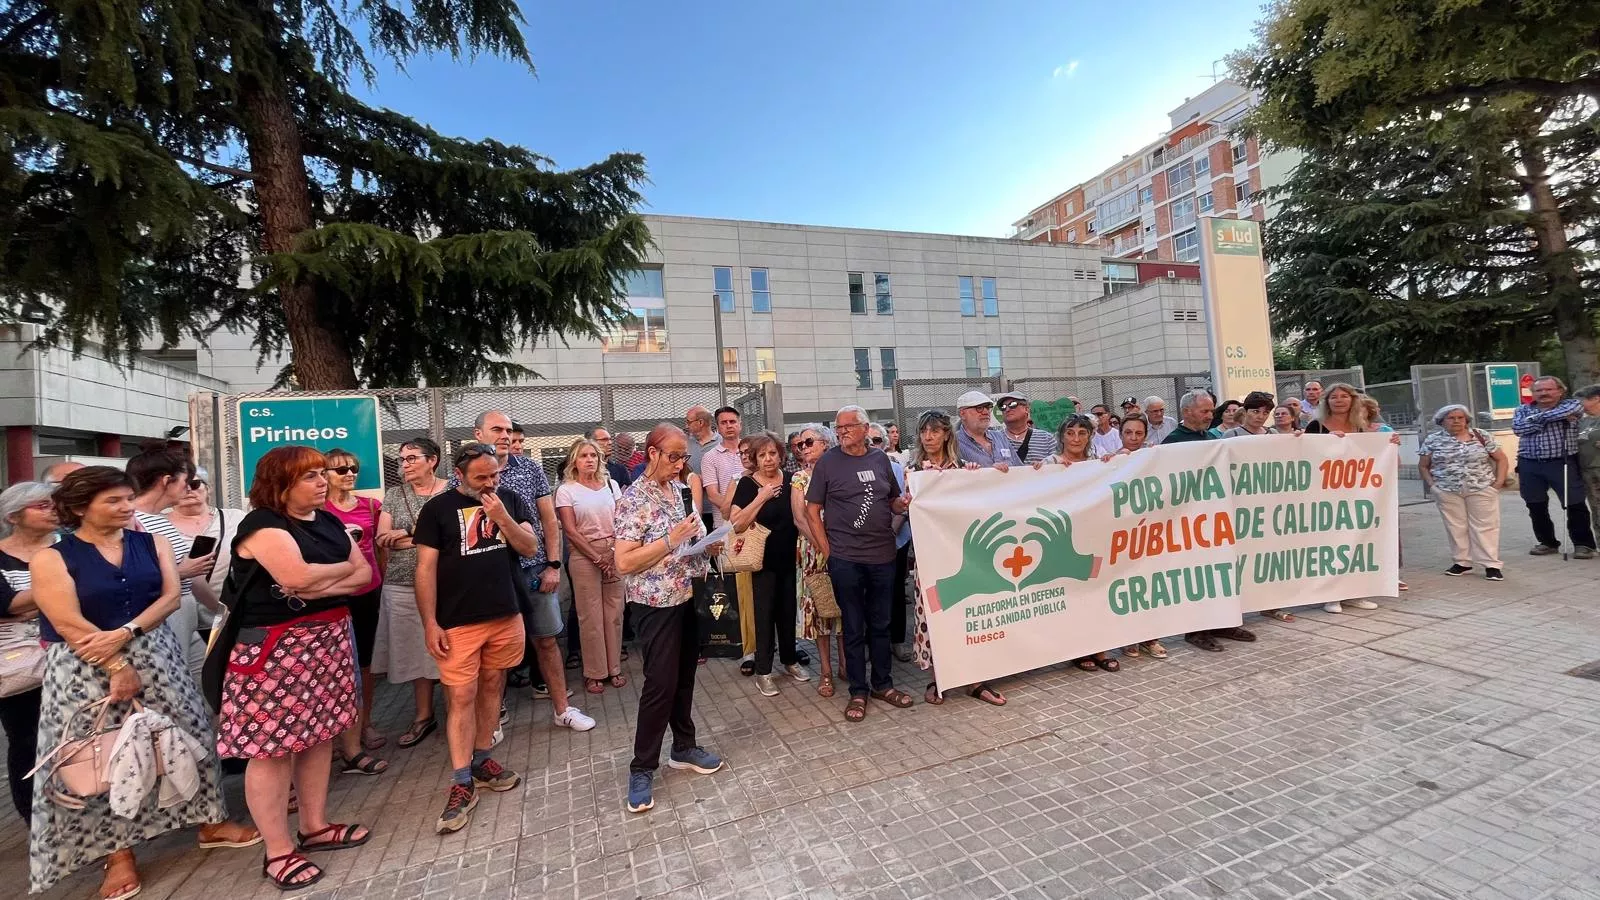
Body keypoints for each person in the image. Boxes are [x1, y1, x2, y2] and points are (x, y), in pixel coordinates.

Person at [32, 467, 255, 897]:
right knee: (99, 755)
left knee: (189, 732)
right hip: (85, 665)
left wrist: (128, 632)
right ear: (79, 508)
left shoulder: (152, 542)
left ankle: (211, 821)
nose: (126, 507)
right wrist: (117, 663)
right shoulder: (53, 557)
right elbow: (66, 620)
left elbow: (171, 596)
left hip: (155, 651)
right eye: (113, 501)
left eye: (127, 498)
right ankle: (118, 855)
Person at [418, 443, 585, 836]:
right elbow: (424, 570)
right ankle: (461, 781)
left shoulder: (508, 498)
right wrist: (429, 622)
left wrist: (502, 518)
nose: (491, 482)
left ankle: (482, 759)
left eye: (494, 474)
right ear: (460, 475)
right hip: (457, 620)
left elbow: (530, 546)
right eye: (482, 477)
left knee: (494, 685)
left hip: (505, 612)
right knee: (460, 695)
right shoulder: (437, 510)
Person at [614, 425, 727, 814]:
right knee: (660, 683)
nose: (681, 465)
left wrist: (711, 543)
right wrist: (671, 540)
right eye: (675, 457)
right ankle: (642, 766)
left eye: (685, 458)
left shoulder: (679, 490)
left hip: (689, 593)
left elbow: (690, 538)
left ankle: (684, 746)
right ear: (652, 453)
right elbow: (624, 561)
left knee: (684, 676)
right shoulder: (633, 499)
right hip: (655, 602)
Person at [461, 411, 578, 711]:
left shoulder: (530, 468)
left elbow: (549, 521)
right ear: (478, 434)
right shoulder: (463, 476)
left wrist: (553, 565)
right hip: (493, 577)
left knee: (547, 640)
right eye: (497, 429)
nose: (505, 435)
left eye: (509, 430)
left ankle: (562, 709)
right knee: (493, 650)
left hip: (535, 569)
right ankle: (493, 714)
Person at [805, 405, 915, 723]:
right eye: (838, 429)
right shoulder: (828, 463)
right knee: (854, 627)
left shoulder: (881, 459)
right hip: (846, 560)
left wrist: (902, 503)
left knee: (880, 624)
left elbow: (892, 500)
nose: (841, 433)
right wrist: (829, 552)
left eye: (848, 427)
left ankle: (883, 684)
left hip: (882, 555)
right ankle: (858, 690)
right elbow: (813, 511)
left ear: (865, 429)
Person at [905, 410, 1008, 705]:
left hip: (962, 556)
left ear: (946, 435)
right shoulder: (913, 471)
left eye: (935, 431)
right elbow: (903, 510)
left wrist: (987, 476)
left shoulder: (964, 468)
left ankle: (975, 679)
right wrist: (905, 504)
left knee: (967, 613)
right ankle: (939, 678)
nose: (929, 437)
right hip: (928, 556)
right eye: (924, 431)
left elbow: (979, 505)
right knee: (933, 614)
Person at [1160, 391, 1259, 652]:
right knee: (1197, 575)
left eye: (1211, 410)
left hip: (1215, 520)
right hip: (1191, 522)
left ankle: (1223, 621)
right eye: (1204, 411)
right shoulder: (1173, 442)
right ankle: (1196, 630)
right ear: (1187, 412)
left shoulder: (1209, 437)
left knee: (1220, 571)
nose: (1210, 415)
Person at [374, 438, 448, 749]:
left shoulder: (450, 489)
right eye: (402, 459)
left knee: (456, 647)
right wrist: (424, 538)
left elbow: (451, 534)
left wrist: (404, 533)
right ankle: (423, 715)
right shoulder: (394, 495)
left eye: (412, 458)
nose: (405, 464)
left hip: (447, 581)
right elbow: (381, 539)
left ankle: (461, 711)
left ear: (432, 460)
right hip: (402, 583)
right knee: (419, 652)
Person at [320, 448, 388, 774]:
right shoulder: (318, 511)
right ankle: (335, 734)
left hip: (368, 592)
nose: (349, 474)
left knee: (365, 665)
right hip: (334, 596)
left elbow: (379, 548)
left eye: (353, 468)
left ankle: (364, 723)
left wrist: (383, 582)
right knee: (334, 667)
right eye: (340, 469)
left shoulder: (371, 507)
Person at [126, 441, 217, 684]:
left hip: (184, 609)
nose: (188, 490)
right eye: (186, 482)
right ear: (166, 481)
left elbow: (192, 576)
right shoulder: (132, 520)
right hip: (161, 613)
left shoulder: (161, 520)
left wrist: (220, 611)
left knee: (199, 682)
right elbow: (126, 578)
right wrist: (181, 572)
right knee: (172, 681)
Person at [730, 434, 807, 697]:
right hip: (761, 562)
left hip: (788, 558)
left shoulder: (790, 480)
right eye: (761, 455)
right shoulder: (747, 484)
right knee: (764, 616)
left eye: (772, 453)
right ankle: (764, 671)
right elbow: (737, 523)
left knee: (787, 613)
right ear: (754, 459)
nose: (768, 459)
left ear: (780, 455)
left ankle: (790, 661)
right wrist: (761, 497)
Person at [555, 438, 626, 694]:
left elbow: (622, 520)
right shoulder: (566, 490)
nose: (589, 460)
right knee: (590, 616)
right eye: (584, 455)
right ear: (574, 460)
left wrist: (613, 552)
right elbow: (571, 531)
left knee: (614, 613)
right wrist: (597, 558)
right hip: (584, 554)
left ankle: (614, 667)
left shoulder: (611, 484)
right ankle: (595, 672)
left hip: (614, 550)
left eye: (593, 455)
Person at [0, 482, 52, 823]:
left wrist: (28, 604)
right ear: (14, 516)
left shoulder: (69, 546)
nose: (53, 510)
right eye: (41, 506)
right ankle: (36, 816)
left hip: (74, 653)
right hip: (18, 664)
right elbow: (6, 603)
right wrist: (59, 589)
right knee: (26, 738)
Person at [1420, 404, 1508, 581]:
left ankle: (1491, 564)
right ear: (1442, 421)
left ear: (1466, 420)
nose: (1456, 421)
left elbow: (1501, 459)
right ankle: (1462, 562)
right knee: (1455, 526)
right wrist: (1433, 486)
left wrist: (1497, 483)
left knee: (1486, 526)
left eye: (1460, 417)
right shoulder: (1433, 440)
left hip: (1481, 487)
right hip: (1447, 489)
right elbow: (1423, 465)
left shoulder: (1481, 436)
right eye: (1451, 418)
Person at [1512, 376, 1594, 558]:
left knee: (1574, 503)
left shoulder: (1571, 405)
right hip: (1529, 463)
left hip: (1562, 461)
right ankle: (1547, 542)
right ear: (1533, 393)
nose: (1544, 394)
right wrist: (1551, 418)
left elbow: (1527, 426)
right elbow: (1518, 429)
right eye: (1539, 391)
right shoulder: (1521, 409)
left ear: (1560, 391)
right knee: (1535, 504)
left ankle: (1583, 544)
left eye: (1548, 390)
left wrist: (1534, 421)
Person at [792, 426, 845, 696]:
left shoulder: (838, 471)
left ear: (827, 443)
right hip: (814, 551)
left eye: (809, 441)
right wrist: (823, 546)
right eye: (801, 444)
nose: (803, 447)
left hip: (843, 546)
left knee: (845, 607)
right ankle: (825, 670)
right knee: (819, 610)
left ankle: (845, 663)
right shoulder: (800, 477)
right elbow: (800, 518)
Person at [164, 468, 248, 638]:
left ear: (207, 488)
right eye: (181, 486)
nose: (188, 491)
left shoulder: (236, 518)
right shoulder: (156, 525)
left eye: (194, 485)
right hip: (179, 618)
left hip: (232, 616)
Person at [870, 423, 915, 663]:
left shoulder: (896, 468)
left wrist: (890, 533)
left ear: (886, 443)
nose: (873, 446)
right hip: (867, 546)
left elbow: (902, 504)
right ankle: (872, 644)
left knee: (896, 592)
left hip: (895, 541)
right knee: (870, 595)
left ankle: (897, 641)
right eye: (869, 441)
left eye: (877, 441)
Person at [699, 407, 746, 527]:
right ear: (718, 428)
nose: (729, 426)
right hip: (724, 525)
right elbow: (713, 495)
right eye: (724, 423)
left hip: (755, 522)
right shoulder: (709, 457)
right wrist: (740, 512)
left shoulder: (752, 451)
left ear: (740, 425)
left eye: (732, 422)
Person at [952, 391, 1016, 469]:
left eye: (988, 407)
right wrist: (990, 471)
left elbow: (1020, 468)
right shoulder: (953, 443)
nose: (986, 412)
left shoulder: (1001, 437)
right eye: (979, 408)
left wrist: (1033, 468)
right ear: (962, 414)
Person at [995, 391, 1057, 465]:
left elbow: (1060, 465)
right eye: (1003, 407)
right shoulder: (994, 439)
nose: (1007, 409)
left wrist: (1044, 465)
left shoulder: (1046, 439)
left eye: (1013, 404)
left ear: (1027, 409)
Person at [1579, 386, 1600, 539]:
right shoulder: (1584, 421)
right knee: (1596, 508)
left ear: (1595, 399)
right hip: (1588, 470)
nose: (1579, 404)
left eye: (1582, 400)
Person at [683, 406, 720, 476]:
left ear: (700, 422)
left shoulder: (721, 443)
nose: (686, 426)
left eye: (688, 422)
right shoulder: (684, 443)